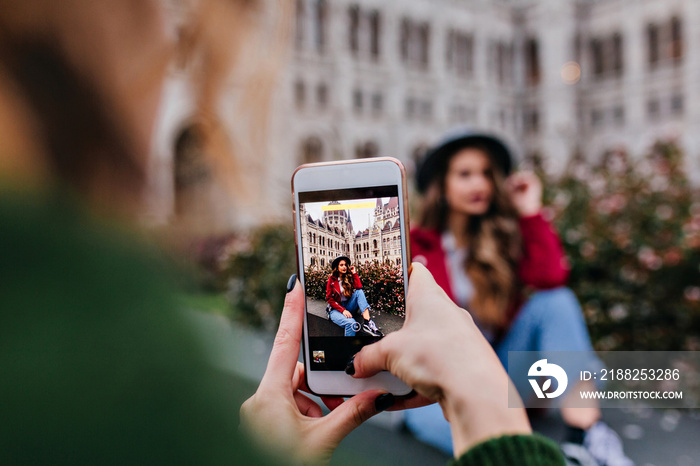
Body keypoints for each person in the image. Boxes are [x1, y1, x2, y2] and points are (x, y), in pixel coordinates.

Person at [0, 1, 566, 464]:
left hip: (479, 362)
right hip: (428, 374)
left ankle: (579, 428)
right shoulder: (112, 355)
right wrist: (487, 404)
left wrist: (529, 218)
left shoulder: (77, 329)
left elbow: (547, 281)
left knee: (558, 307)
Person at [407, 128, 633, 465]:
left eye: (486, 173)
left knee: (555, 302)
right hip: (445, 387)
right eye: (465, 174)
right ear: (441, 185)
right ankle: (541, 456)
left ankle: (586, 435)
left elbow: (550, 277)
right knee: (442, 424)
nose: (479, 184)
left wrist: (529, 211)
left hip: (504, 373)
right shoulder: (415, 247)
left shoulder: (501, 237)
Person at [326, 256, 383, 337]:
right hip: (335, 309)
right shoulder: (331, 279)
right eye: (341, 265)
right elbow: (329, 299)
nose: (344, 267)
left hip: (348, 306)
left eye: (345, 265)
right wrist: (342, 310)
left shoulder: (348, 277)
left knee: (359, 292)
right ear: (337, 267)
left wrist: (354, 273)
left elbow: (359, 287)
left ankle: (367, 322)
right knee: (352, 324)